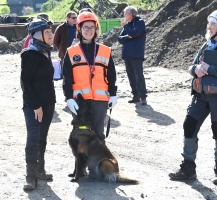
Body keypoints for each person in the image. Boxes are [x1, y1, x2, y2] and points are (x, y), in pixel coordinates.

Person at [168, 9, 217, 185]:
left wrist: (209, 69)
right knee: (189, 125)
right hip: (201, 95)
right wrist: (195, 70)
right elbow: (192, 66)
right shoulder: (207, 44)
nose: (208, 27)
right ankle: (188, 169)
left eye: (212, 23)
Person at [62, 12, 117, 141]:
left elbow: (111, 75)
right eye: (85, 27)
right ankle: (82, 162)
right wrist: (68, 98)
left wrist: (113, 94)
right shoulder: (71, 52)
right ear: (79, 29)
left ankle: (99, 161)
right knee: (81, 136)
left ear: (96, 29)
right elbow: (67, 78)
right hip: (80, 100)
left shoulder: (105, 51)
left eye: (92, 27)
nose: (89, 30)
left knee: (98, 135)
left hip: (100, 100)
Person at [20, 19, 56, 190]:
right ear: (37, 35)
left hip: (48, 103)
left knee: (42, 137)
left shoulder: (46, 52)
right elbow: (25, 83)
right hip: (34, 105)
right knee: (33, 138)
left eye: (51, 31)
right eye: (48, 32)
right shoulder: (30, 54)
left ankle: (40, 170)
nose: (51, 34)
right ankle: (30, 176)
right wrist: (35, 106)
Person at [118, 6, 147, 105]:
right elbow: (120, 39)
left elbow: (134, 33)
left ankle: (143, 96)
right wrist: (128, 36)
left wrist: (127, 28)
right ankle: (136, 95)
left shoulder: (140, 22)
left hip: (136, 54)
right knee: (131, 76)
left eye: (125, 13)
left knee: (139, 76)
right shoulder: (129, 24)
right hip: (127, 55)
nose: (124, 15)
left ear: (130, 14)